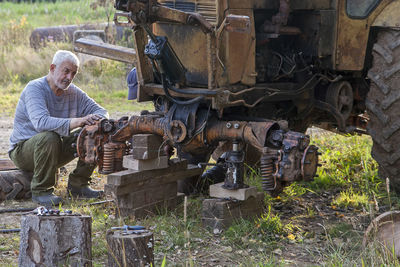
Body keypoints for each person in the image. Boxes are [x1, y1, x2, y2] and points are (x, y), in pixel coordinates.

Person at [8, 50, 109, 206]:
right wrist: (79, 121)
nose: (69, 78)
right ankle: (41, 191)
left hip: (52, 148)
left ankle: (78, 185)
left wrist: (98, 123)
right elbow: (41, 123)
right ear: (53, 68)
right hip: (24, 151)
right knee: (49, 137)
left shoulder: (73, 92)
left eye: (73, 74)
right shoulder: (34, 88)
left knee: (94, 133)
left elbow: (102, 112)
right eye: (66, 71)